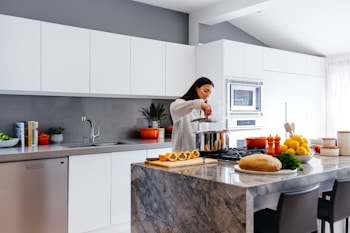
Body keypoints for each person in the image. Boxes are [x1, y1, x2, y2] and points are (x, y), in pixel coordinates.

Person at [170, 77, 214, 152]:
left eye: (210, 93)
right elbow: (173, 108)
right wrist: (200, 104)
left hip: (199, 155)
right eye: (206, 91)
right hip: (182, 156)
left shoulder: (202, 111)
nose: (207, 95)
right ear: (197, 88)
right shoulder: (180, 103)